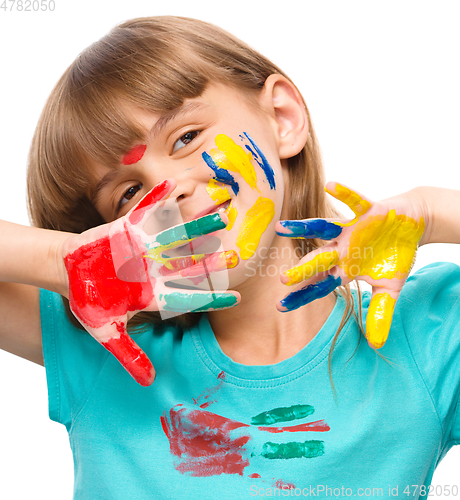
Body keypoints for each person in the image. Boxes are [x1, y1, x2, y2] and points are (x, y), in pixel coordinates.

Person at [1, 15, 460, 499]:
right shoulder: (107, 346)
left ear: (282, 119)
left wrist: (430, 211)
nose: (168, 190)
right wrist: (62, 261)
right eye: (130, 191)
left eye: (185, 137)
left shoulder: (423, 338)